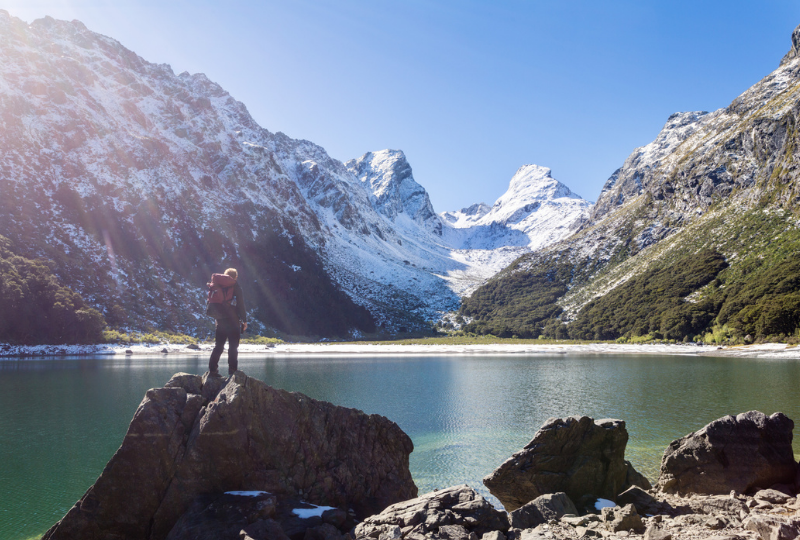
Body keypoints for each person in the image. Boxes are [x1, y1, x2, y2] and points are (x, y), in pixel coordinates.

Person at [208, 267, 247, 376]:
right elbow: (241, 305)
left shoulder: (218, 286)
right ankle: (232, 371)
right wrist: (244, 321)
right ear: (235, 277)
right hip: (233, 321)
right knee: (233, 347)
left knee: (219, 346)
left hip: (220, 321)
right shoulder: (235, 286)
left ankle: (212, 370)